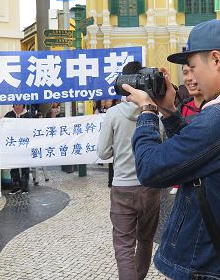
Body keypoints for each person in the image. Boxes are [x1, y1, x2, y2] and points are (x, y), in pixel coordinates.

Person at [122, 19, 220, 278]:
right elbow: (202, 154)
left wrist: (148, 111)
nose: (191, 78)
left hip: (204, 265)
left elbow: (150, 169)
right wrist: (170, 111)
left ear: (216, 59)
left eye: (193, 67)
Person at [97, 61, 161, 280]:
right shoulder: (156, 114)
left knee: (124, 245)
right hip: (150, 187)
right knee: (145, 239)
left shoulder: (113, 114)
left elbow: (103, 153)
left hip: (122, 187)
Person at [170, 64, 205, 195]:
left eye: (194, 72)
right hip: (187, 186)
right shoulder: (182, 108)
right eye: (185, 73)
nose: (189, 78)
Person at [4, 104, 33, 194]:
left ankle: (25, 187)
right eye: (16, 104)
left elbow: (31, 128)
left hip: (24, 144)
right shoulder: (9, 115)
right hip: (12, 144)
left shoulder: (28, 115)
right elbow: (2, 128)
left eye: (20, 104)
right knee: (14, 166)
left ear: (23, 106)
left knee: (25, 166)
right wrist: (1, 122)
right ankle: (15, 186)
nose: (18, 106)